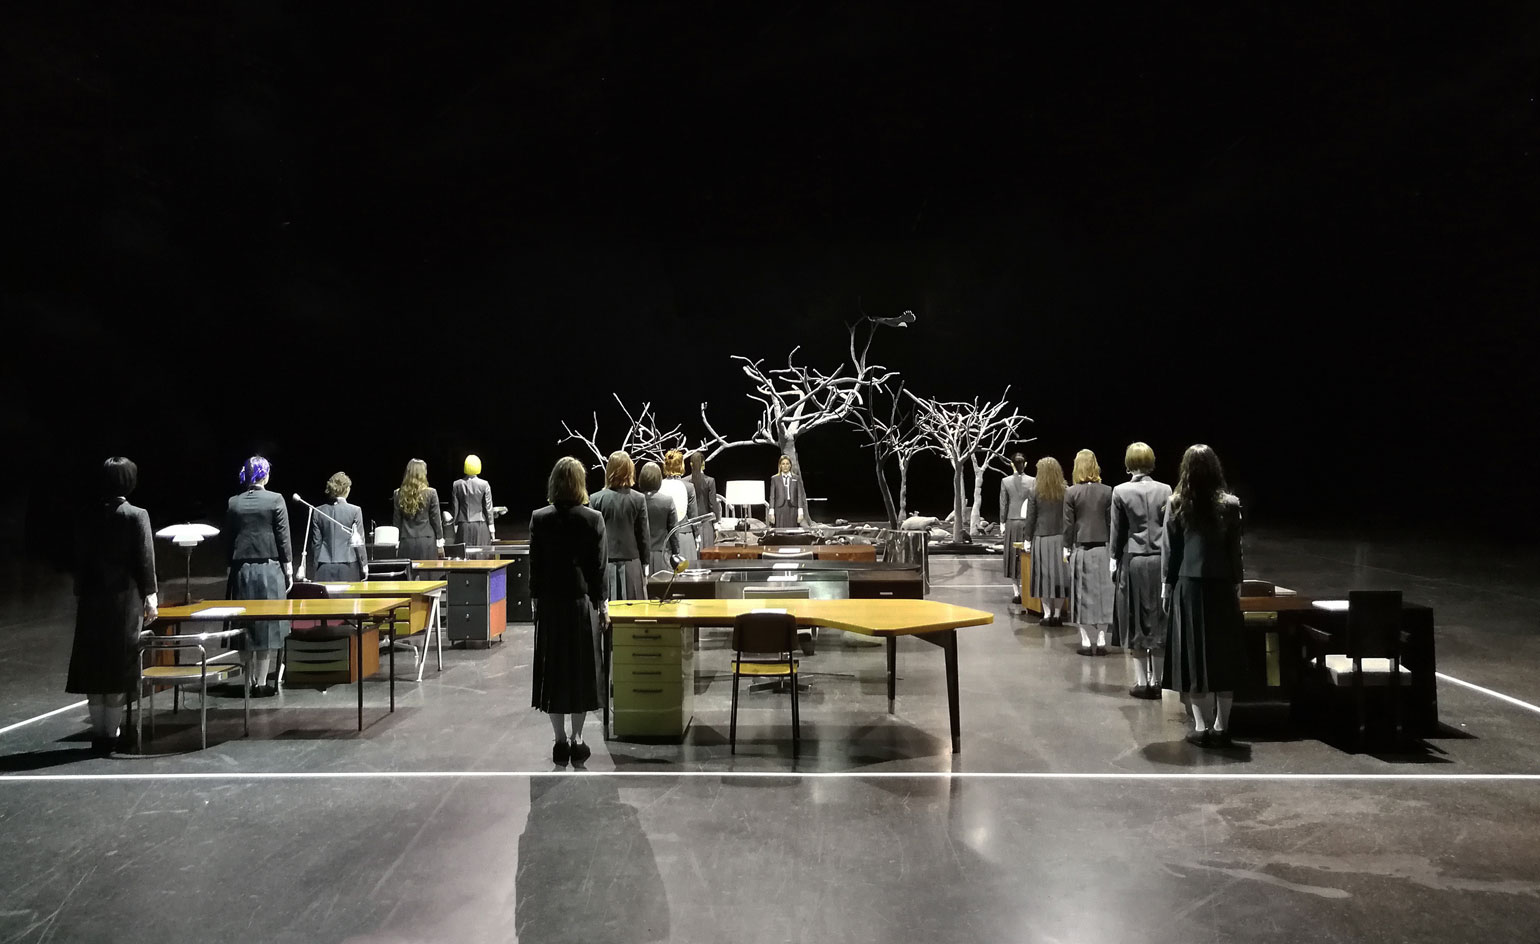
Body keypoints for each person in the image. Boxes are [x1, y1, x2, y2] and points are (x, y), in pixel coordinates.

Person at [68, 457, 157, 753]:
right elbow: (145, 559)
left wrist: (80, 591)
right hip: (124, 601)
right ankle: (112, 733)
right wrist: (151, 596)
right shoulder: (136, 515)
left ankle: (100, 733)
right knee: (118, 665)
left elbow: (79, 558)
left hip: (92, 599)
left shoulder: (87, 515)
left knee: (93, 665)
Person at [1162, 444, 1245, 747]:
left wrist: (1166, 585)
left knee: (1194, 655)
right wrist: (1238, 581)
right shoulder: (1230, 504)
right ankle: (1222, 726)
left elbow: (1171, 550)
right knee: (1223, 655)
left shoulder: (1176, 503)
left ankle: (1200, 726)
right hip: (1222, 586)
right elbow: (1235, 549)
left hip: (1189, 587)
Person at [529, 456, 606, 765]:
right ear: (580, 483)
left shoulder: (539, 518)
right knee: (581, 673)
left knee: (554, 674)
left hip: (550, 606)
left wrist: (536, 600)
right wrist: (602, 605)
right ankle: (578, 738)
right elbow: (598, 569)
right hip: (580, 605)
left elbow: (535, 566)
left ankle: (559, 740)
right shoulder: (593, 519)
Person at [223, 456, 292, 697]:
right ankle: (261, 683)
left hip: (241, 569)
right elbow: (283, 536)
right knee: (266, 628)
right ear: (265, 475)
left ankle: (248, 680)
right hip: (269, 569)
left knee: (244, 626)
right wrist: (289, 567)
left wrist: (229, 566)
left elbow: (228, 538)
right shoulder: (275, 499)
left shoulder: (234, 502)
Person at [1111, 442, 1172, 699]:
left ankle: (1140, 681)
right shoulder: (1165, 489)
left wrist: (1113, 559)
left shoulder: (1120, 491)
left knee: (1135, 618)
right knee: (1158, 619)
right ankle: (1158, 680)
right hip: (1159, 560)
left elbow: (1117, 532)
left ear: (1128, 463)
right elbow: (1169, 529)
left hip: (1134, 560)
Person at [1065, 449, 1115, 656]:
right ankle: (1102, 639)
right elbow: (1112, 523)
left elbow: (1068, 524)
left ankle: (1086, 641)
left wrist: (1066, 548)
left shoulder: (1071, 492)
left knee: (1080, 597)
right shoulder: (1107, 491)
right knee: (1104, 596)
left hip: (1081, 550)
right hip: (1103, 549)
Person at [588, 451, 650, 600]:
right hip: (632, 565)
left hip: (605, 564)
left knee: (606, 608)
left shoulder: (595, 499)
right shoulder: (638, 499)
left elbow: (591, 537)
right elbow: (643, 535)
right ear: (630, 470)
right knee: (634, 609)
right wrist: (645, 563)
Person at [1023, 457, 1070, 625]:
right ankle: (1057, 615)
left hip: (1041, 539)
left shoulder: (1034, 491)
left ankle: (1047, 614)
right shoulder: (1066, 491)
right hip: (1060, 538)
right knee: (1060, 578)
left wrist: (1027, 539)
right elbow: (1069, 518)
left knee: (1043, 578)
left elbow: (1030, 518)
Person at [306, 471, 367, 582]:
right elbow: (359, 542)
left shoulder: (318, 511)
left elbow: (316, 544)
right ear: (347, 489)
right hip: (348, 565)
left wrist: (314, 568)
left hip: (324, 566)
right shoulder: (355, 511)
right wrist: (364, 565)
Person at [999, 453, 1035, 604]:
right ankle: (1028, 591)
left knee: (1014, 556)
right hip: (1028, 522)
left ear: (1011, 464)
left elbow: (1003, 504)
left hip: (1012, 522)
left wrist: (1002, 523)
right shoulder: (1033, 481)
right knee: (1028, 556)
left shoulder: (1005, 481)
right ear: (1025, 464)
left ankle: (1016, 592)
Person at [393, 458, 443, 561]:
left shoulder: (398, 493)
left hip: (406, 541)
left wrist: (396, 544)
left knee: (408, 571)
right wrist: (440, 544)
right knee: (427, 571)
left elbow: (397, 522)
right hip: (427, 542)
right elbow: (436, 520)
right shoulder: (431, 493)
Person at [638, 462, 680, 575]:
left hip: (639, 557)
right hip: (662, 556)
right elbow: (673, 531)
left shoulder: (635, 500)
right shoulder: (667, 501)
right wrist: (676, 553)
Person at [659, 449, 697, 562]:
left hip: (663, 537)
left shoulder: (658, 486)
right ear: (681, 465)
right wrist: (697, 535)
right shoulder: (689, 487)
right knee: (687, 570)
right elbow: (693, 515)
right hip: (684, 535)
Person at [452, 454, 496, 547]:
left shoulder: (457, 484)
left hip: (463, 525)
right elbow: (488, 508)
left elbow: (455, 507)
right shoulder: (484, 484)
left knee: (464, 553)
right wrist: (492, 528)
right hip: (480, 524)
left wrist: (455, 525)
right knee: (481, 553)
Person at [689, 451, 719, 549]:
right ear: (703, 463)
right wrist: (716, 525)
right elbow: (712, 504)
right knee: (707, 554)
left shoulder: (685, 482)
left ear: (691, 464)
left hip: (690, 525)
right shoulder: (710, 481)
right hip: (706, 524)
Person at [767, 455, 805, 528]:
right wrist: (771, 511)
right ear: (780, 465)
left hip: (793, 508)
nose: (785, 466)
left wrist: (800, 511)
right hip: (779, 508)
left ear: (790, 465)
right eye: (783, 464)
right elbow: (772, 496)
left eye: (787, 464)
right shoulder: (775, 479)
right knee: (780, 530)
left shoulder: (796, 478)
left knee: (792, 529)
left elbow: (799, 496)